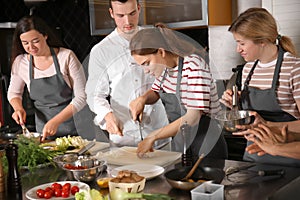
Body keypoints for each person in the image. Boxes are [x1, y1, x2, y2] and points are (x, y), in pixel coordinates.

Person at [129, 27, 228, 160]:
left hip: (205, 143)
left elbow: (193, 117)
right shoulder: (165, 70)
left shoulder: (193, 66)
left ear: (161, 52)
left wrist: (153, 136)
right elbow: (156, 92)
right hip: (181, 143)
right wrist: (143, 99)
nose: (145, 71)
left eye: (147, 63)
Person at [220, 7, 300, 166]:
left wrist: (268, 126)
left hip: (288, 159)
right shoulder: (248, 69)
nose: (238, 49)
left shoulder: (294, 68)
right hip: (252, 158)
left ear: (262, 41)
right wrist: (234, 104)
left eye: (242, 43)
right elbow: (250, 117)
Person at [85, 0, 169, 147]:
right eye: (120, 15)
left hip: (158, 133)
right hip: (124, 138)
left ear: (139, 8)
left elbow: (167, 77)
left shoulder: (154, 38)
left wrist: (144, 98)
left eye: (132, 14)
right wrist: (107, 115)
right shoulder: (101, 51)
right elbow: (94, 95)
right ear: (111, 13)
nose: (128, 21)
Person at [8, 15, 87, 141]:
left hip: (76, 131)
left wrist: (55, 121)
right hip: (44, 133)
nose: (31, 47)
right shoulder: (20, 62)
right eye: (25, 43)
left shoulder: (66, 57)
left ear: (45, 35)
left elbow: (82, 97)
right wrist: (18, 108)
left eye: (35, 41)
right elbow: (14, 93)